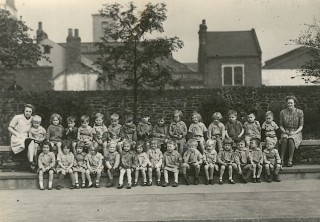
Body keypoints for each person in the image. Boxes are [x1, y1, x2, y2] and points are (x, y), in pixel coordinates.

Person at [279, 95, 304, 167]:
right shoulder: (282, 112)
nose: (290, 104)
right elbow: (280, 125)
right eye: (288, 103)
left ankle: (290, 160)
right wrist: (284, 131)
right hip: (286, 130)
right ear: (286, 103)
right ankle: (281, 160)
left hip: (296, 131)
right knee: (284, 138)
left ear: (294, 103)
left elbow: (301, 126)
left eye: (291, 103)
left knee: (291, 139)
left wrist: (295, 132)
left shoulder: (300, 112)